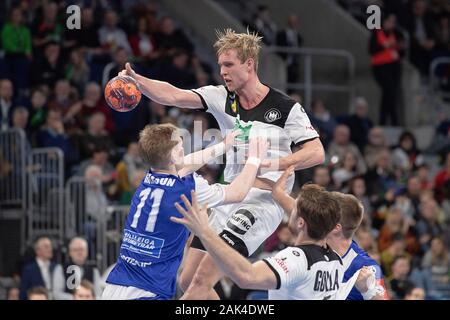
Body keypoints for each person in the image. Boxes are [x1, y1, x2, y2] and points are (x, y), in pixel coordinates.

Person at [119, 28, 324, 300]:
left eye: (229, 65)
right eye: (220, 66)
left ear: (249, 64)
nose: (223, 71)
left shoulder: (286, 108)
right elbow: (173, 95)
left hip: (262, 202)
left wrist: (276, 163)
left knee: (202, 281)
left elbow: (316, 151)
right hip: (231, 195)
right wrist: (138, 81)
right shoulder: (220, 96)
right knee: (188, 278)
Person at [102, 123, 268, 300]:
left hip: (115, 285)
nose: (184, 151)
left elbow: (186, 163)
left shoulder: (150, 175)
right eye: (181, 147)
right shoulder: (187, 189)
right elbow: (237, 193)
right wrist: (254, 158)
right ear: (174, 155)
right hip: (147, 292)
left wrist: (222, 146)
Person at [172, 181, 374, 299]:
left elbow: (246, 276)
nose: (290, 211)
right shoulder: (336, 259)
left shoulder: (297, 259)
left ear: (301, 223)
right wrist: (276, 191)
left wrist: (205, 231)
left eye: (295, 210)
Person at [272, 168, 388, 300]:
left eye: (325, 213)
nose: (318, 213)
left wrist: (368, 291)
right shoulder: (317, 226)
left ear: (335, 227)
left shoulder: (365, 267)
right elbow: (286, 200)